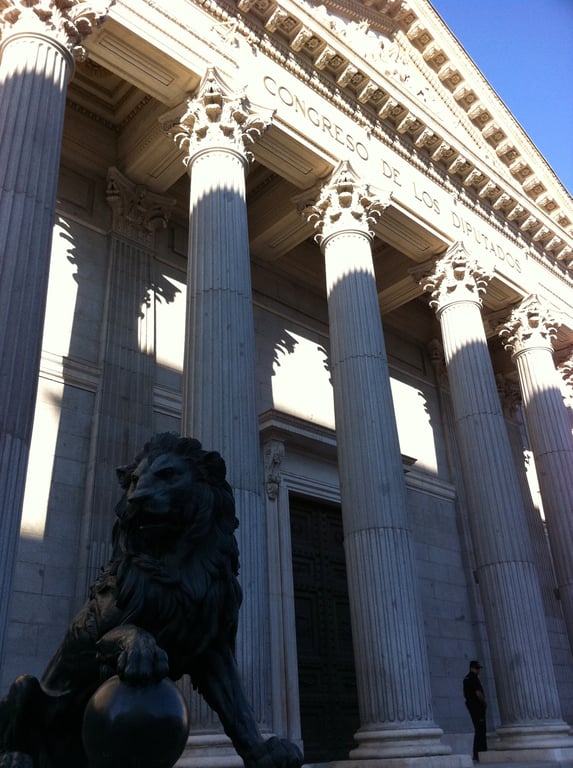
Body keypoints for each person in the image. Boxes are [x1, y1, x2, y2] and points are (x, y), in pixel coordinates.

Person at [463, 660, 487, 762]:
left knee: (478, 729)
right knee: (481, 730)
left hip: (471, 705)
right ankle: (481, 753)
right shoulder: (473, 678)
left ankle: (477, 754)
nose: (478, 671)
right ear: (472, 668)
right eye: (477, 668)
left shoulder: (466, 678)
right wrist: (484, 702)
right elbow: (478, 693)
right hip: (477, 706)